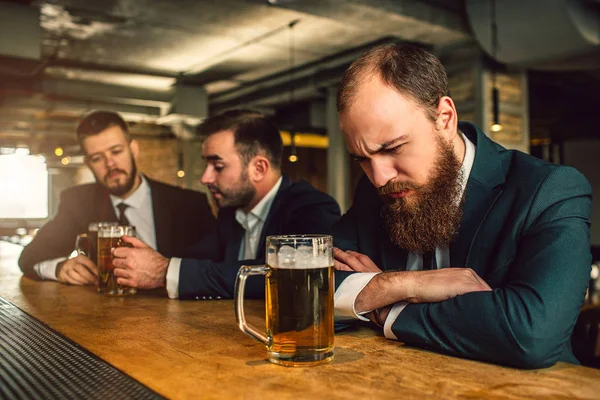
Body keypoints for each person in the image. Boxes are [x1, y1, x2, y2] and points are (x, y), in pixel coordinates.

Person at [332, 44, 592, 369]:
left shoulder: (550, 190)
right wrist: (399, 284)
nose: (380, 178)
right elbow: (303, 284)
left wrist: (388, 310)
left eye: (393, 148)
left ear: (445, 118)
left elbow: (531, 335)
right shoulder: (375, 193)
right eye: (362, 159)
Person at [111, 109, 341, 299]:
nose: (205, 178)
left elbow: (284, 279)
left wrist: (164, 271)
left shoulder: (312, 208)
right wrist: (140, 263)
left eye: (218, 167)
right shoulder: (230, 213)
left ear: (259, 168)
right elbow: (199, 259)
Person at [19, 111, 216, 285]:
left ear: (134, 149)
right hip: (105, 318)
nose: (110, 164)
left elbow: (214, 266)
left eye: (116, 151)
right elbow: (30, 256)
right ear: (88, 163)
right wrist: (59, 268)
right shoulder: (78, 202)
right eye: (97, 158)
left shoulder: (189, 204)